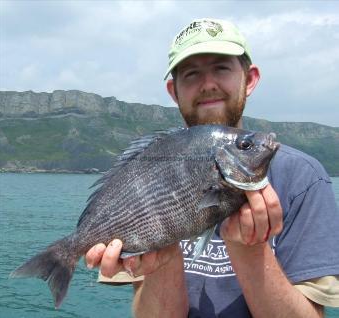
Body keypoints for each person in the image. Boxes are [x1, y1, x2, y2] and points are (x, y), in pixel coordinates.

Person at [85, 18, 339, 317]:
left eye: (221, 68)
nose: (208, 85)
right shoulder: (148, 167)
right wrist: (164, 261)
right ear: (173, 91)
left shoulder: (303, 179)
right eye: (192, 74)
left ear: (250, 78)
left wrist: (249, 248)